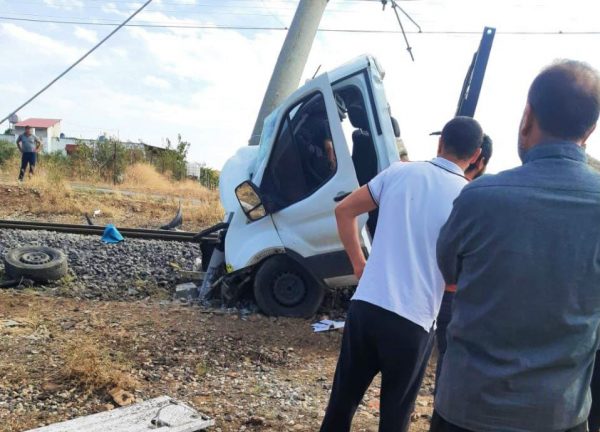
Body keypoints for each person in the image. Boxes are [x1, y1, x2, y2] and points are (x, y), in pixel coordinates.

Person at [432, 60, 600, 432]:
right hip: (558, 415)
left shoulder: (479, 197)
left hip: (467, 410)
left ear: (527, 117)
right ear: (589, 131)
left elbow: (450, 271)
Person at [320, 116, 484, 432]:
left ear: (440, 142)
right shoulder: (469, 198)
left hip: (367, 306)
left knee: (341, 404)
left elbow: (344, 210)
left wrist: (358, 263)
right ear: (476, 155)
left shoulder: (400, 172)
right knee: (395, 418)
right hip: (414, 320)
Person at [433, 133, 493, 393]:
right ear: (480, 160)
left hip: (428, 294)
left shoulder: (427, 181)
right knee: (449, 365)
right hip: (456, 296)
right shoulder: (480, 198)